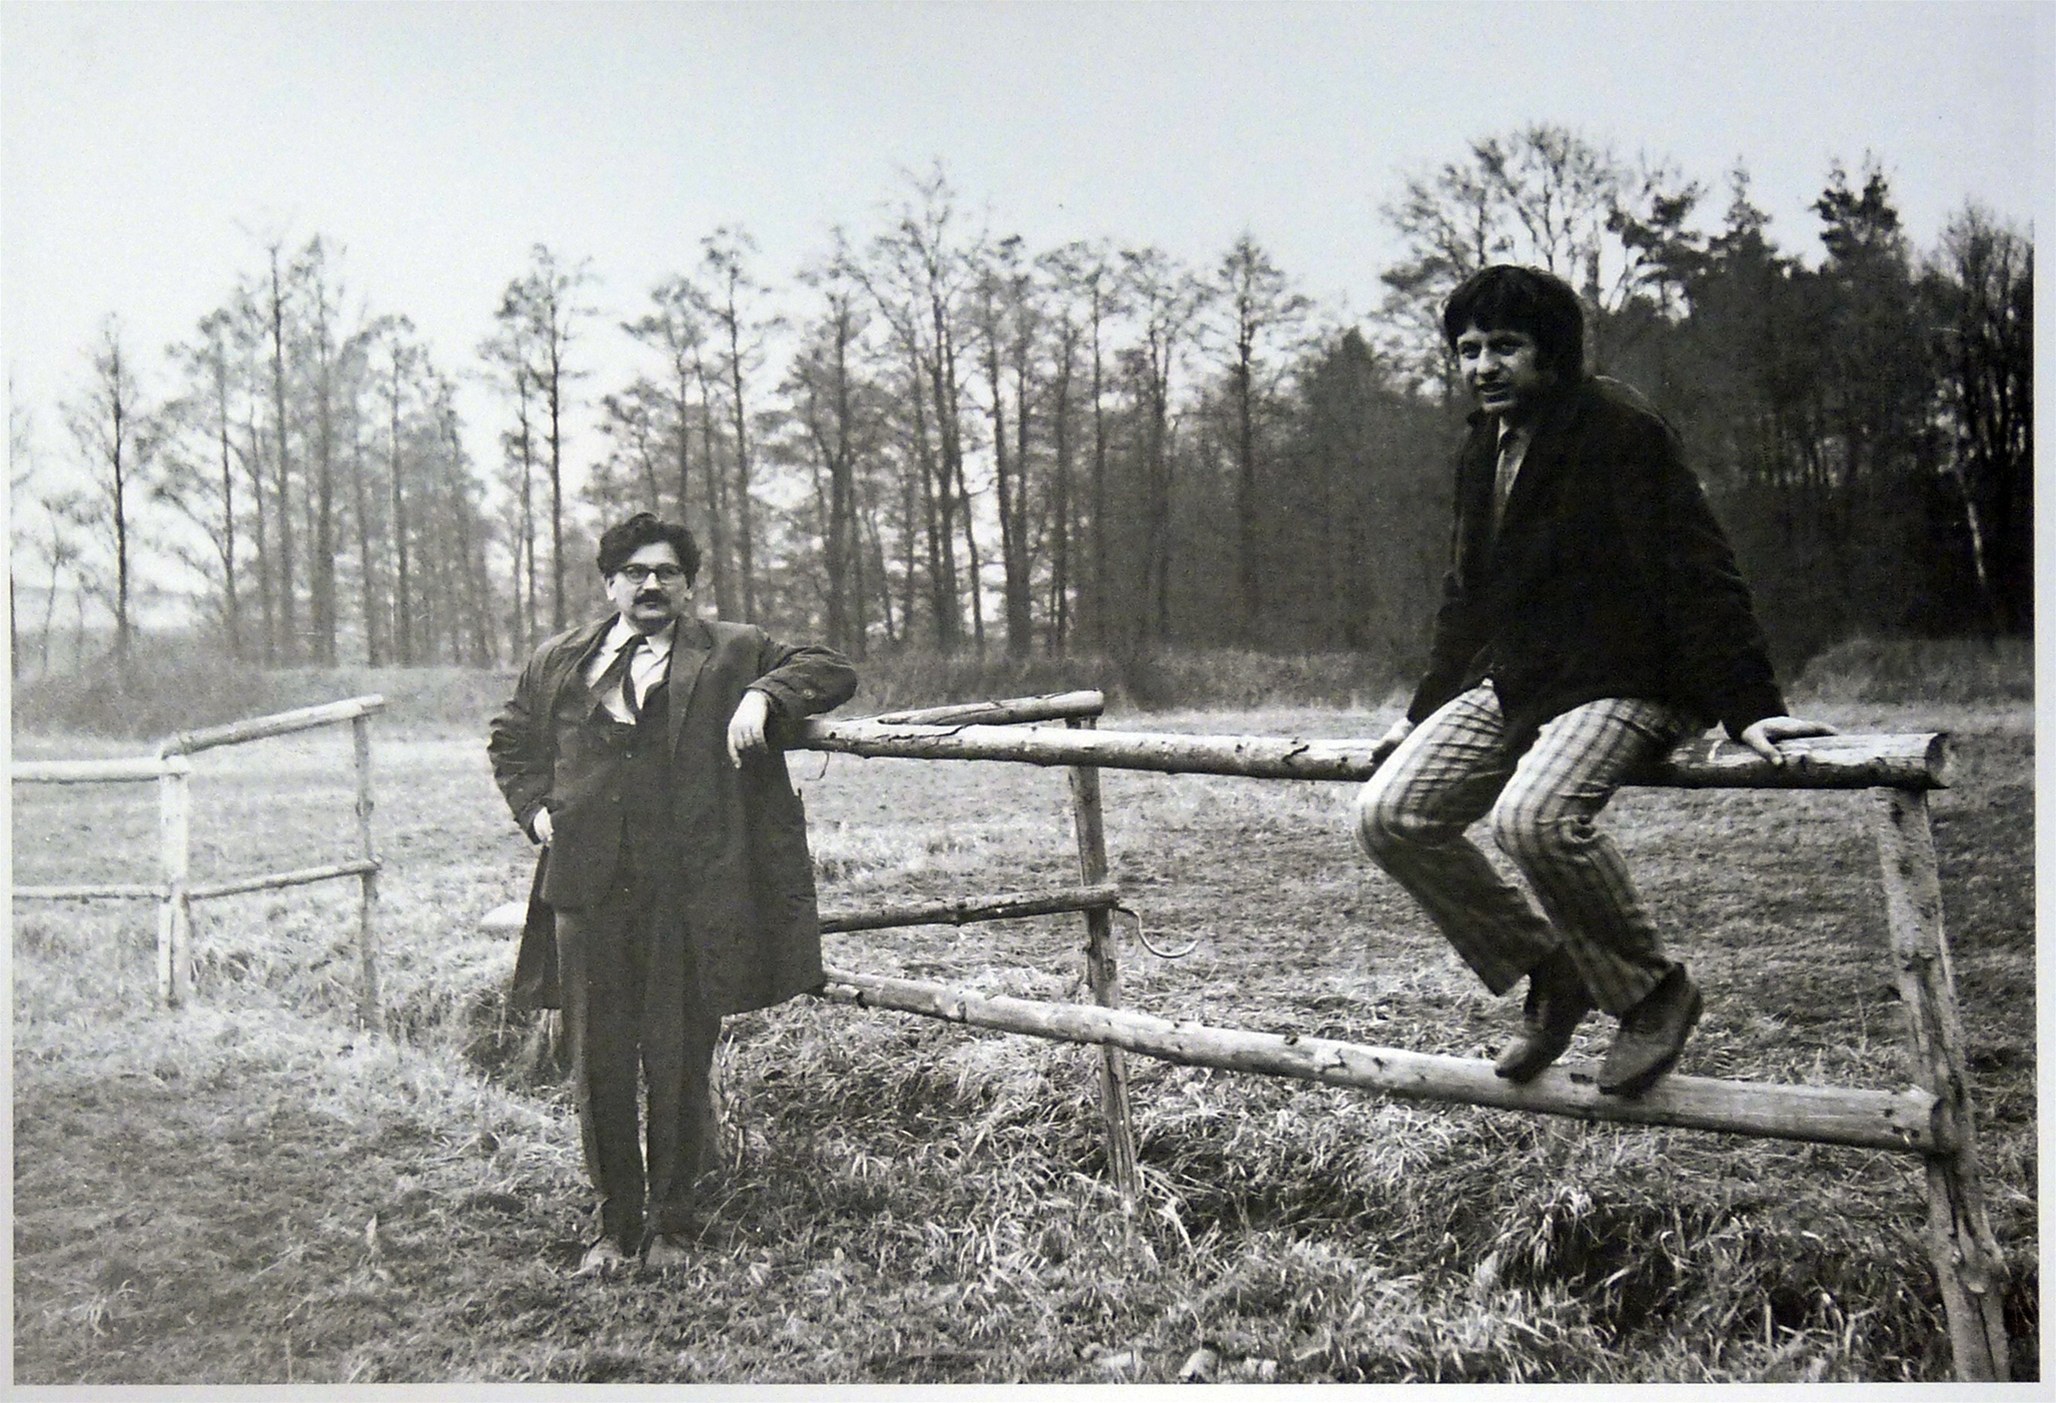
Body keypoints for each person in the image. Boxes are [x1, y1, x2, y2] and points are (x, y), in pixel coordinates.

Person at [1353, 264, 1836, 1098]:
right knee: (1391, 814)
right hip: (1523, 680)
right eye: (1468, 350)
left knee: (1534, 819)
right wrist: (1421, 714)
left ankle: (1651, 992)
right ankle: (1554, 969)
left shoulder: (1619, 427)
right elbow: (1466, 598)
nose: (1483, 367)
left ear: (1555, 350)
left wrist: (1752, 708)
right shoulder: (1482, 446)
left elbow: (1700, 569)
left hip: (1631, 675)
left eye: (1505, 346)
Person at [488, 512, 857, 1274]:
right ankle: (612, 1224)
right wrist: (535, 810)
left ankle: (673, 1226)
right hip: (586, 889)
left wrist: (764, 696)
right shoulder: (561, 657)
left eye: (667, 573)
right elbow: (511, 739)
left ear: (688, 585)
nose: (651, 585)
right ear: (609, 583)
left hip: (686, 892)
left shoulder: (732, 649)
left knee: (678, 1055)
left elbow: (831, 668)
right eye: (635, 572)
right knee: (598, 1062)